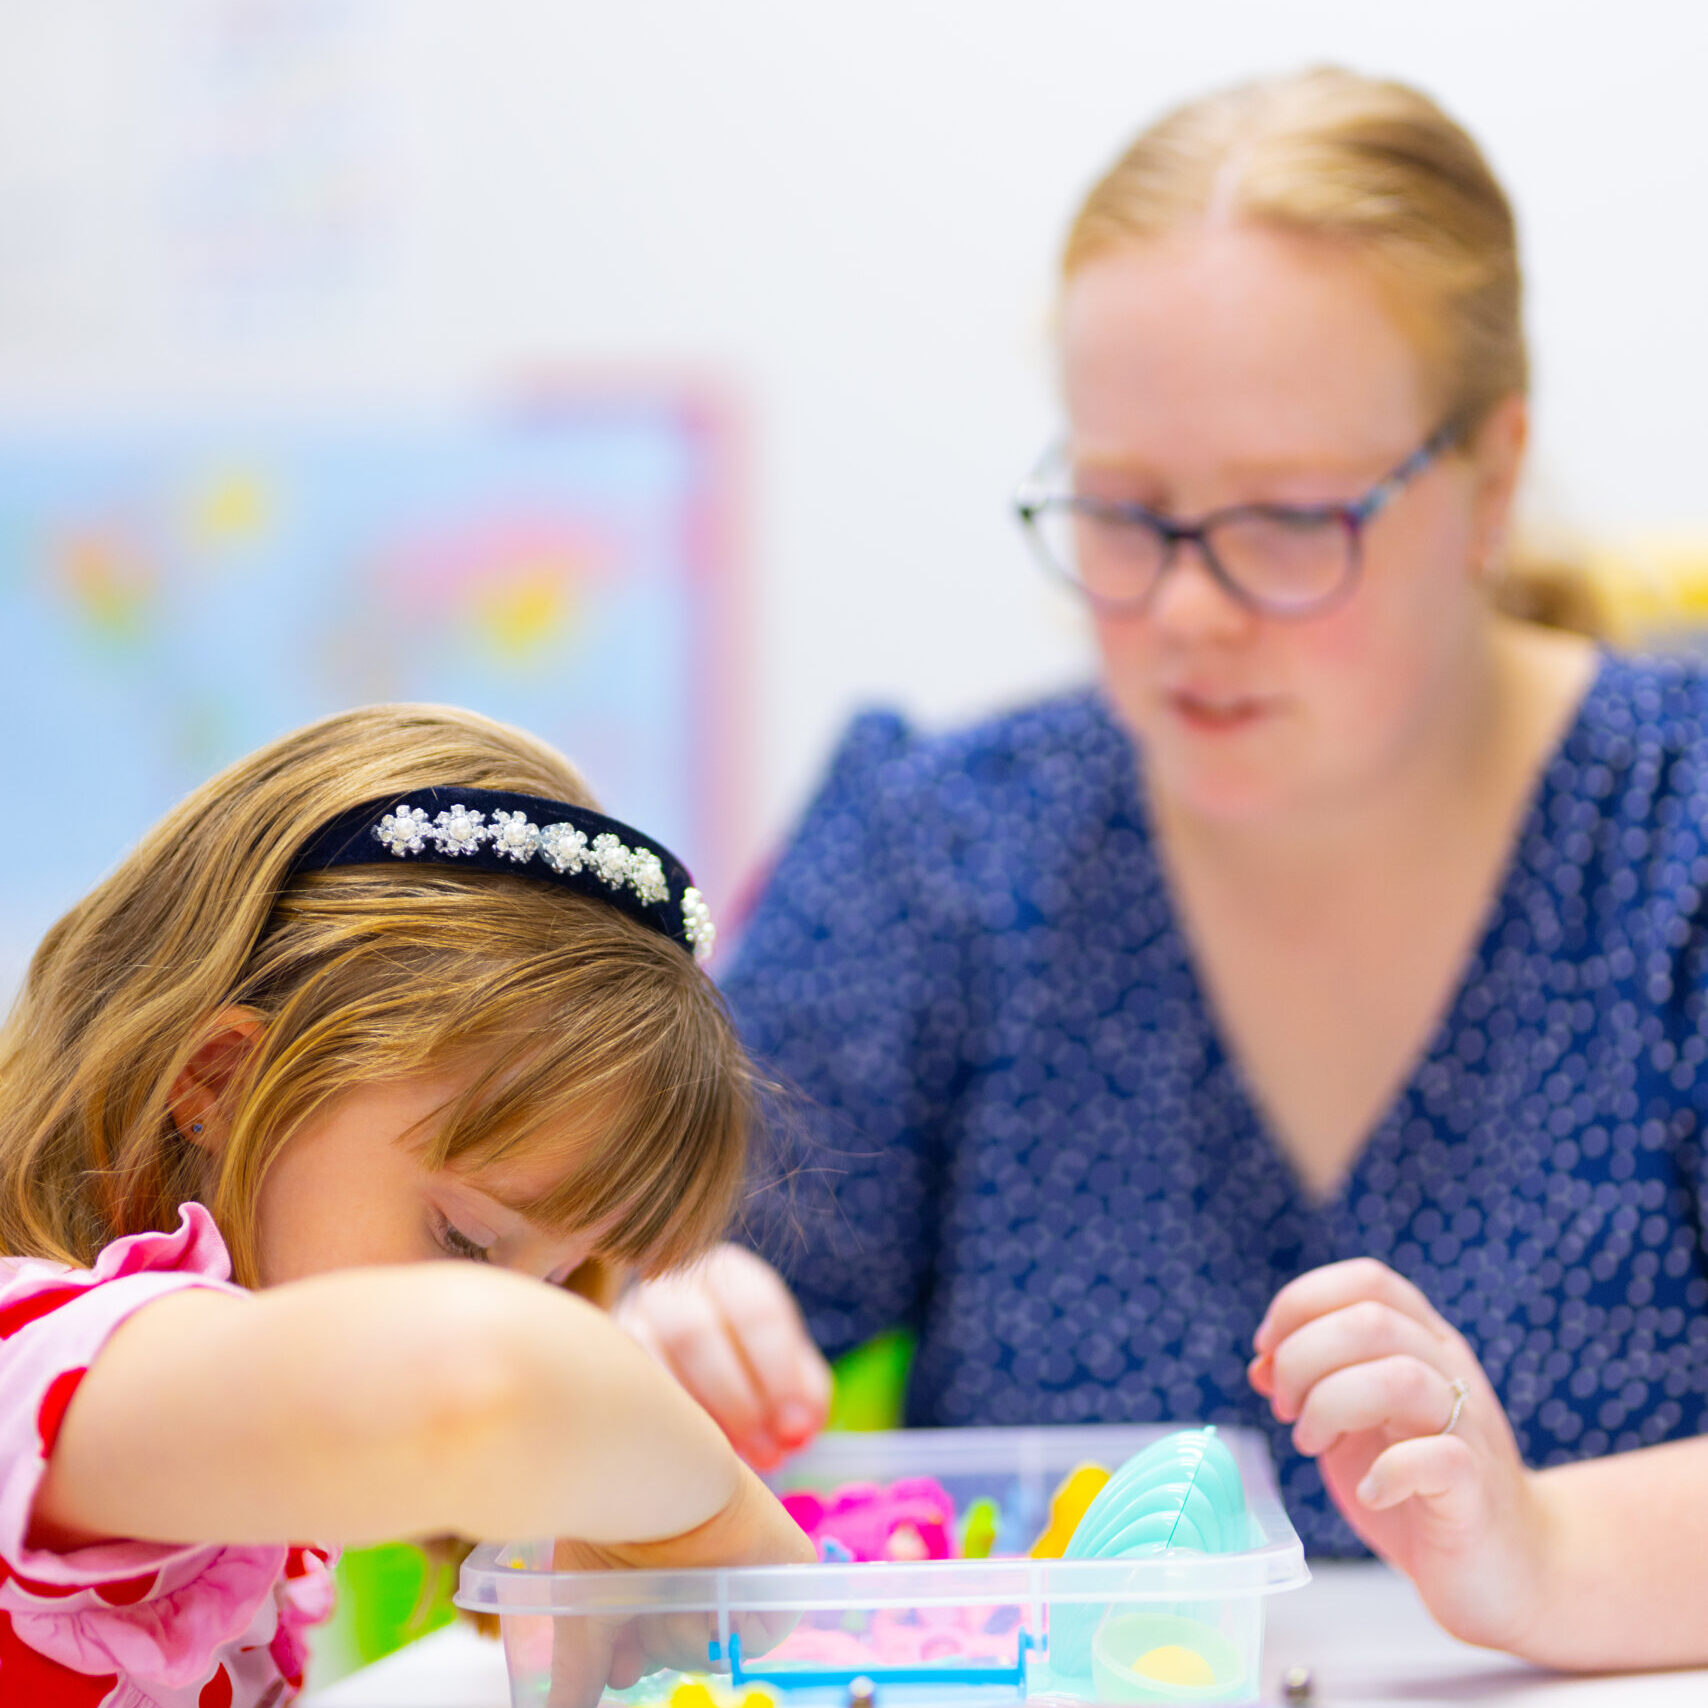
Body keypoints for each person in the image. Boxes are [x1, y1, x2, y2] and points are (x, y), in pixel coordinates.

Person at [621, 68, 1708, 1668]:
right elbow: (602, 1305)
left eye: (1285, 519)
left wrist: (1539, 1547)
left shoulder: (1675, 840)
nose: (1187, 611)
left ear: (1488, 477)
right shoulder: (947, 861)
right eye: (1124, 513)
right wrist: (647, 1343)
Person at [0, 702, 814, 1707]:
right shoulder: (37, 1360)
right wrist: (710, 1509)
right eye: (465, 1237)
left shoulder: (235, 1485)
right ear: (217, 1082)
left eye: (561, 1277)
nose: (537, 1308)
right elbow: (480, 1379)